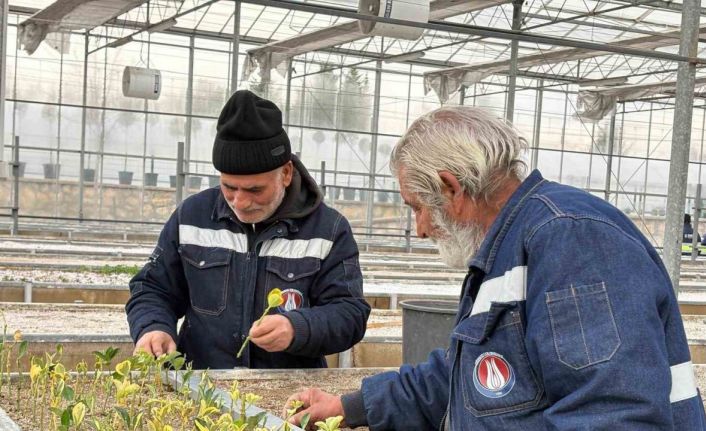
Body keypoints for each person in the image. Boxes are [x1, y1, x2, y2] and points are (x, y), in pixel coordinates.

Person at [285, 106, 706, 430]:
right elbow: (462, 373)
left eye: (418, 208)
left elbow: (610, 411)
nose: (421, 229)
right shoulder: (512, 244)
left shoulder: (570, 240)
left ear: (452, 188)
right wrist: (349, 407)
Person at [125, 90, 370, 369]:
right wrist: (154, 327)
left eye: (255, 189)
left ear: (286, 173)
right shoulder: (191, 217)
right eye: (229, 187)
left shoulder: (328, 230)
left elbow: (350, 313)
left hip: (289, 393)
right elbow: (153, 288)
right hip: (202, 385)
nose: (240, 202)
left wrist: (298, 328)